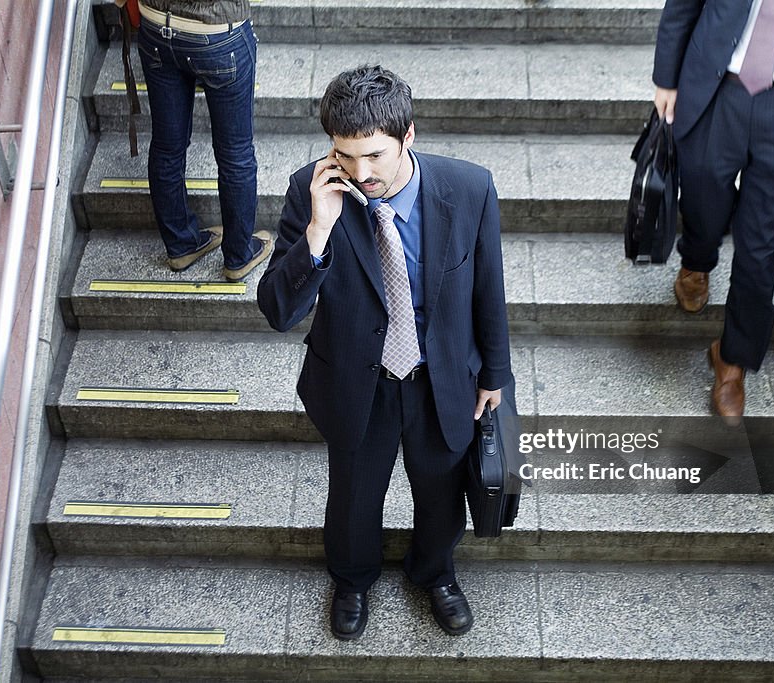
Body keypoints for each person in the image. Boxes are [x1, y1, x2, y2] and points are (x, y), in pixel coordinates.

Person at [257, 65, 512, 639]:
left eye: (373, 156)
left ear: (408, 137)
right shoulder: (312, 190)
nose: (359, 173)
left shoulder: (469, 189)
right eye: (345, 156)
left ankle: (434, 571)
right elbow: (277, 311)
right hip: (354, 380)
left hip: (438, 374)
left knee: (442, 489)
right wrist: (318, 233)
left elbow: (488, 289)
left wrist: (495, 371)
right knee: (352, 494)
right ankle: (351, 578)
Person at [652, 0, 774, 423]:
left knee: (760, 246)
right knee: (701, 197)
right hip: (718, 90)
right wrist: (666, 79)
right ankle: (696, 260)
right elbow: (682, 8)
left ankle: (732, 360)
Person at [136, 0, 272, 279]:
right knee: (235, 153)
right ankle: (238, 256)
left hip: (156, 26)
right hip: (218, 31)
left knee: (166, 147)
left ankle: (180, 246)